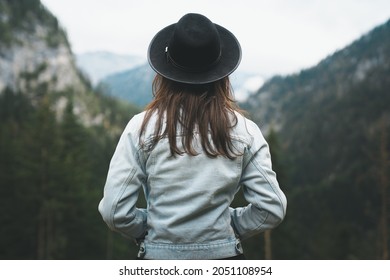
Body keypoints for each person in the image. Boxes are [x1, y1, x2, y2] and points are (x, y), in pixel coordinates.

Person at [98, 13, 287, 260]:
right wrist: (230, 227)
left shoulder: (140, 128)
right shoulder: (246, 131)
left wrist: (150, 226)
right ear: (222, 73)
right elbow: (272, 208)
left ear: (164, 72)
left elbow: (114, 212)